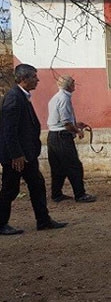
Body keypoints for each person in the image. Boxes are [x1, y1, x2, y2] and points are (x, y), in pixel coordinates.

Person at [0, 64, 68, 235]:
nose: (37, 80)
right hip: (17, 156)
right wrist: (16, 155)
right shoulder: (14, 98)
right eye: (34, 77)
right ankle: (1, 223)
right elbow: (9, 130)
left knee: (37, 186)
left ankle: (43, 220)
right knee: (10, 189)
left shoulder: (22, 96)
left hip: (27, 154)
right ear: (24, 79)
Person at [47, 75, 96, 203]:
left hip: (53, 135)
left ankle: (56, 194)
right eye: (73, 83)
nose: (75, 85)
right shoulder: (64, 98)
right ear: (69, 85)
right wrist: (77, 130)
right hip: (62, 136)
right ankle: (80, 194)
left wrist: (76, 124)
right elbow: (65, 123)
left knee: (58, 167)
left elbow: (60, 120)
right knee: (74, 166)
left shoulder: (56, 97)